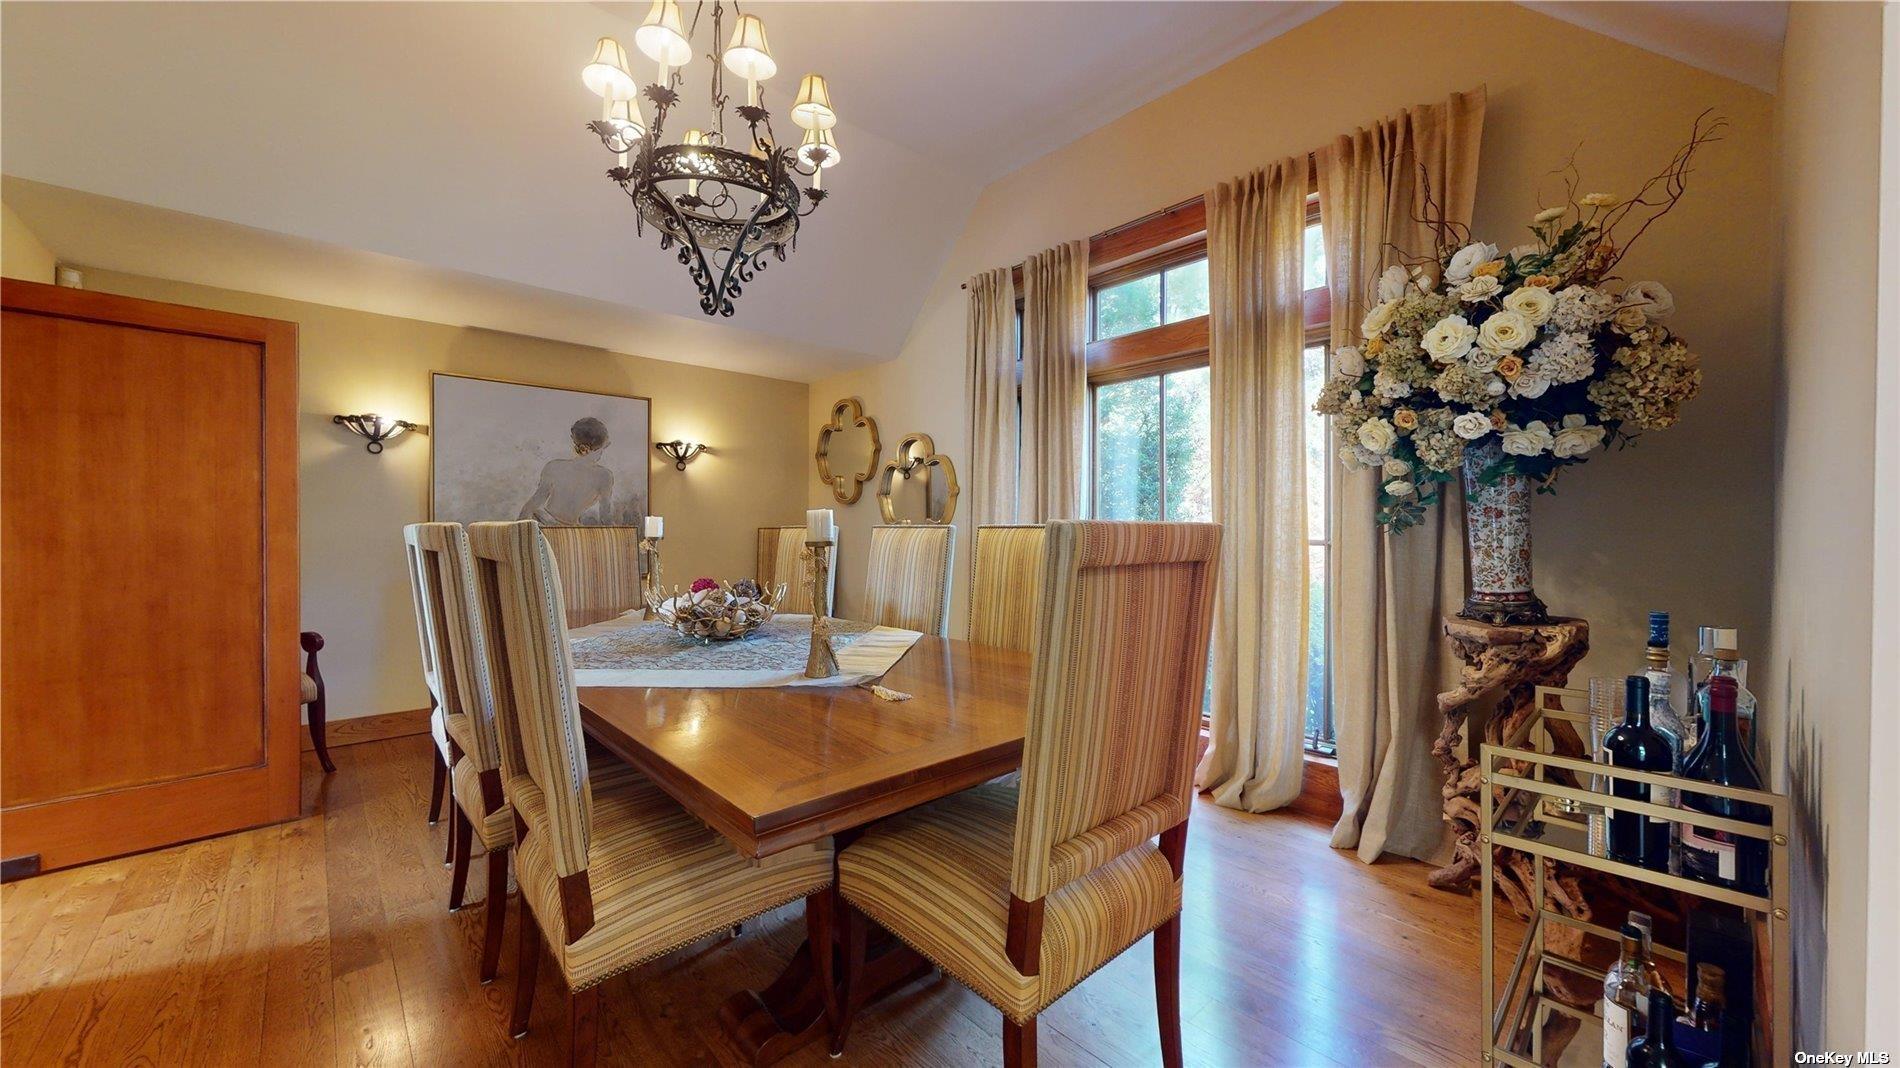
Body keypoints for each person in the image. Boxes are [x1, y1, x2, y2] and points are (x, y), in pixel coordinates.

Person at [519, 417, 616, 525]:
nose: (602, 452)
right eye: (602, 448)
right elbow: (606, 517)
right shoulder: (604, 476)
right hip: (557, 527)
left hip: (553, 526)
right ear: (587, 448)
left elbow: (532, 505)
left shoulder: (554, 467)